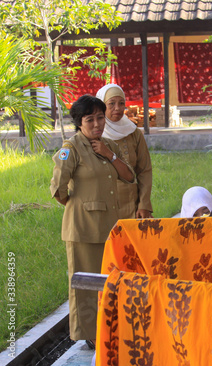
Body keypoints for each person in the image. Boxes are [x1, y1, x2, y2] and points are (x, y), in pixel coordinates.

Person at [50, 95, 135, 345]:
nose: (97, 124)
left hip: (109, 227)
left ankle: (109, 327)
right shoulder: (71, 148)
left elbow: (129, 176)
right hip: (82, 229)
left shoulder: (108, 144)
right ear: (79, 123)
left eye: (100, 117)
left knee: (109, 281)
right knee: (85, 286)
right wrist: (78, 206)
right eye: (90, 120)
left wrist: (109, 155)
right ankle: (89, 335)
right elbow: (58, 188)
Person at [96, 84, 153, 219]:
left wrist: (144, 204)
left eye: (122, 103)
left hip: (132, 204)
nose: (117, 108)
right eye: (111, 103)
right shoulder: (94, 133)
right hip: (103, 206)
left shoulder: (133, 133)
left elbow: (144, 170)